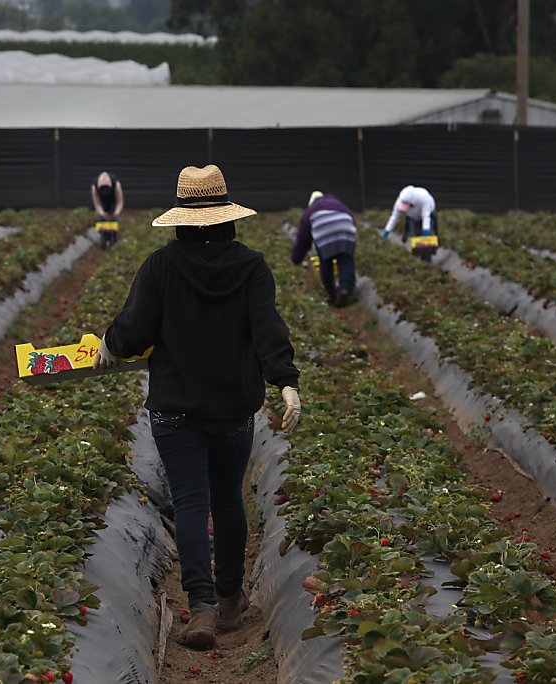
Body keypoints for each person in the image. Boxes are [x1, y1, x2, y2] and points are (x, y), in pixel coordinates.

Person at [93, 164, 301, 650]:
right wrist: (286, 382)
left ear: (182, 217)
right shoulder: (251, 267)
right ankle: (230, 601)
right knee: (229, 499)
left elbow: (135, 330)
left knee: (191, 501)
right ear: (228, 216)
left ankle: (201, 606)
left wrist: (110, 341)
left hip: (176, 408)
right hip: (233, 407)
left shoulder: (161, 267)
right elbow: (268, 328)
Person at [291, 190, 357, 308]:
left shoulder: (311, 210)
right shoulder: (338, 203)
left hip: (325, 233)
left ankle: (332, 295)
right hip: (346, 229)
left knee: (326, 263)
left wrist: (296, 259)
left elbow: (303, 238)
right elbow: (351, 218)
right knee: (346, 259)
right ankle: (345, 289)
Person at [380, 185, 438, 262]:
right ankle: (419, 259)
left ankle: (427, 259)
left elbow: (426, 216)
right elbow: (394, 217)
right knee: (415, 237)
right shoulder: (400, 201)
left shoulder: (424, 198)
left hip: (428, 214)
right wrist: (387, 231)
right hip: (412, 217)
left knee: (427, 240)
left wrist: (426, 231)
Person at [91, 171, 124, 249]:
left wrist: (116, 213)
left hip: (113, 201)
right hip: (102, 202)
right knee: (102, 220)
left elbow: (119, 201)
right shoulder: (94, 186)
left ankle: (113, 240)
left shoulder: (116, 184)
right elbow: (97, 203)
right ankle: (104, 239)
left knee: (113, 220)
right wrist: (102, 213)